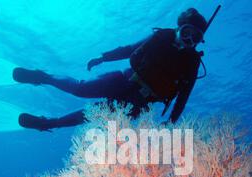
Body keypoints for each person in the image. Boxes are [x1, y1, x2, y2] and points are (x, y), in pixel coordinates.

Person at [14, 8, 208, 131]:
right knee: (81, 89)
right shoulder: (161, 37)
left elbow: (183, 97)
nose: (189, 40)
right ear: (179, 28)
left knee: (92, 115)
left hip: (140, 103)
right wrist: (103, 57)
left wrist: (172, 121)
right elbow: (130, 49)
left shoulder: (192, 63)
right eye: (187, 33)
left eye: (196, 38)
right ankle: (44, 77)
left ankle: (49, 123)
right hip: (124, 79)